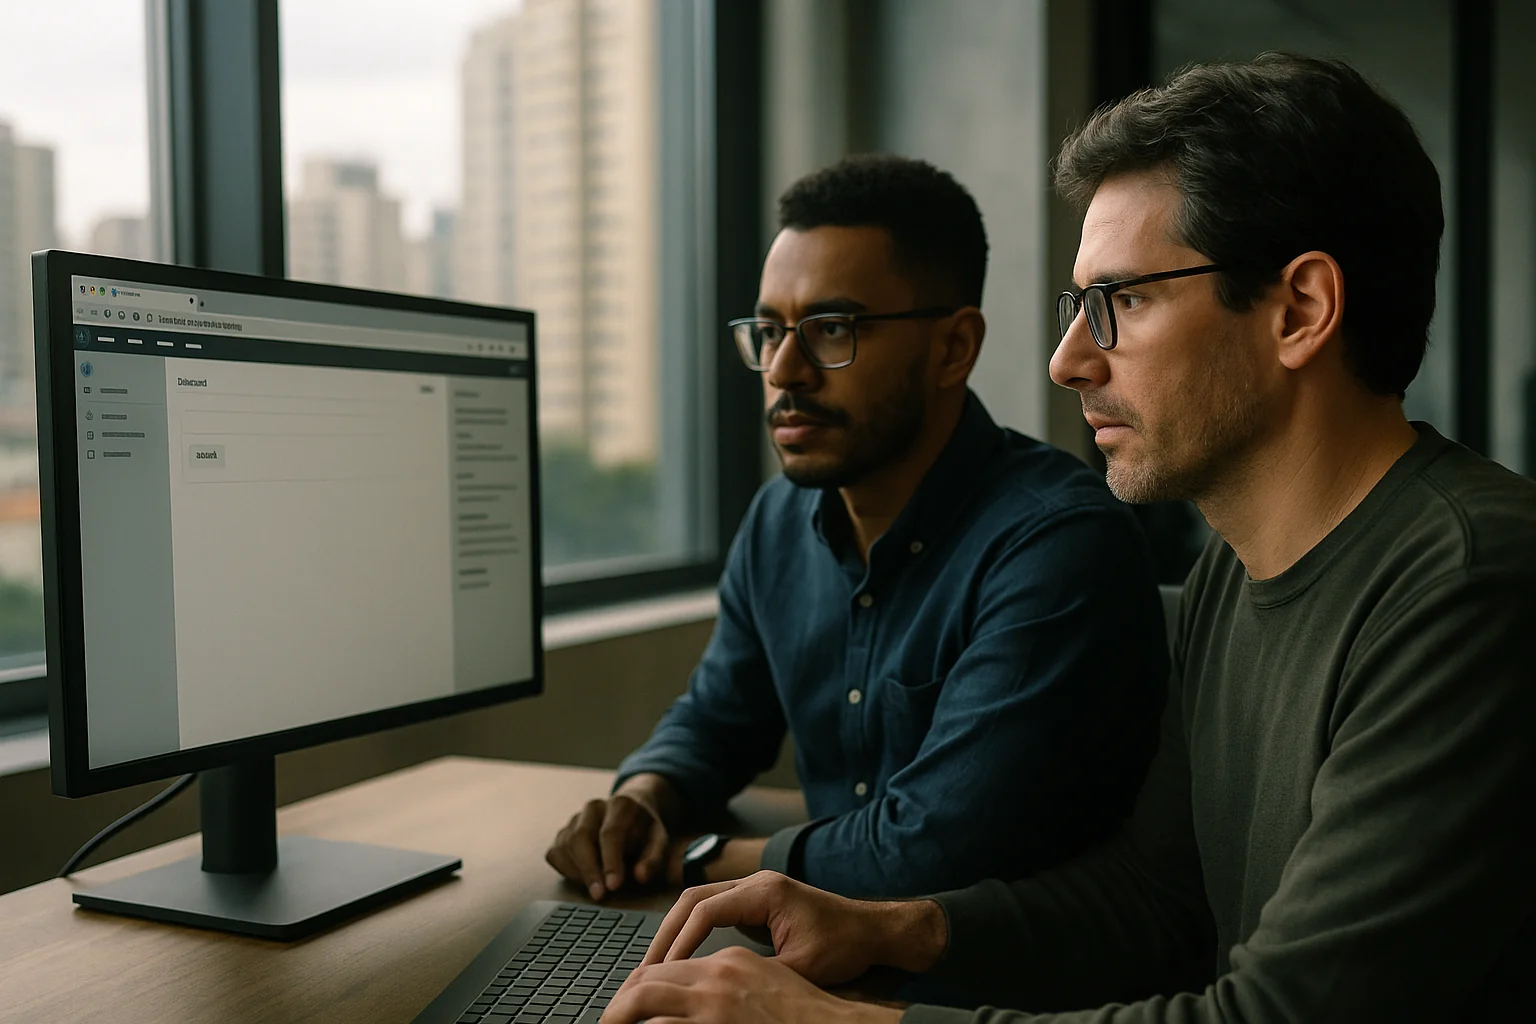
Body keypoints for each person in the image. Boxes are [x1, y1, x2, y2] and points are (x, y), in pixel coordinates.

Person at [601, 54, 1536, 1023]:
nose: (1067, 360)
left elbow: (1276, 1014)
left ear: (1299, 310)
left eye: (1121, 301)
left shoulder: (1471, 588)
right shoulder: (1230, 574)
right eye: (1078, 305)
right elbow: (1154, 902)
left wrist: (828, 1020)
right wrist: (896, 929)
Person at [545, 155, 1168, 902]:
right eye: (769, 332)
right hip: (818, 939)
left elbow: (930, 848)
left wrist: (697, 858)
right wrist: (642, 801)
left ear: (953, 348)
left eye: (831, 329)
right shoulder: (778, 520)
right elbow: (717, 718)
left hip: (986, 966)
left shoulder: (1056, 544)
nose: (784, 371)